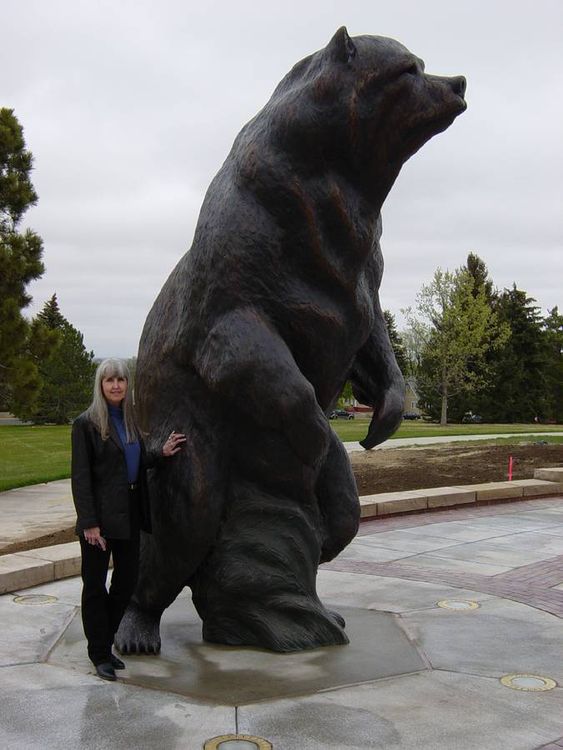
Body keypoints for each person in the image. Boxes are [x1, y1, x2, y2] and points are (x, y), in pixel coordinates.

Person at [71, 357, 185, 681]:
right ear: (101, 385)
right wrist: (89, 523)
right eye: (110, 380)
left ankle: (105, 643)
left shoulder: (130, 422)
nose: (116, 385)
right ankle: (99, 653)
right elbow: (81, 478)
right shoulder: (86, 424)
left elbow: (133, 461)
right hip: (99, 521)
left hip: (130, 515)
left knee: (125, 583)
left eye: (121, 380)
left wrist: (160, 452)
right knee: (95, 587)